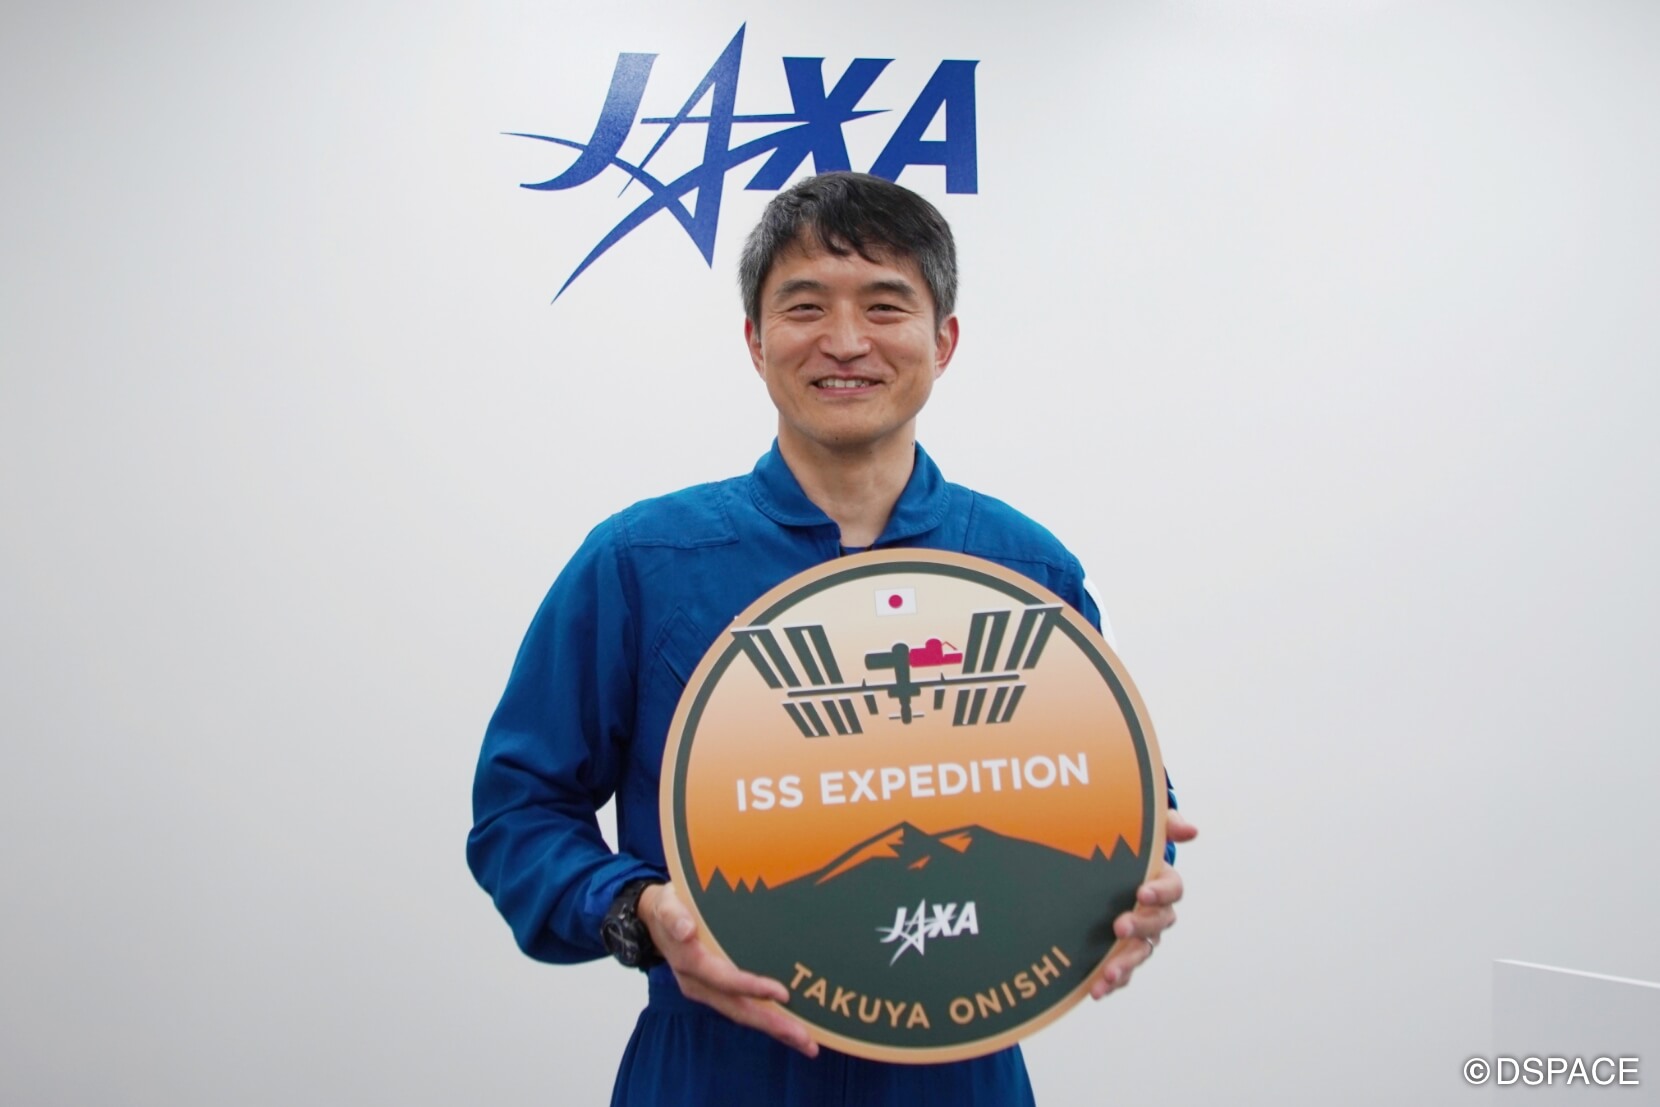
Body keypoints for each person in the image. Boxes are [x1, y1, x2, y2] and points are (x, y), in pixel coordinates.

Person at [468, 171, 1197, 1105]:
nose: (846, 341)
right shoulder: (642, 564)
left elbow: (1126, 801)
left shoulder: (1027, 572)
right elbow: (519, 814)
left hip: (959, 1073)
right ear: (754, 339)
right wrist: (636, 911)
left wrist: (1137, 886)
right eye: (805, 306)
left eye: (885, 306)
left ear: (944, 341)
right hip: (714, 1071)